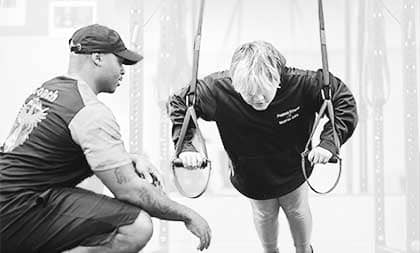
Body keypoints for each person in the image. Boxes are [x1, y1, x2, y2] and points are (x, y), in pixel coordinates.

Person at [0, 24, 211, 253]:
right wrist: (187, 214)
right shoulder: (90, 111)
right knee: (136, 226)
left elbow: (56, 150)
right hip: (17, 209)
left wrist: (129, 158)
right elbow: (131, 190)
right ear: (98, 58)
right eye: (120, 62)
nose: (123, 71)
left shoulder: (50, 90)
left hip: (12, 200)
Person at [167, 40, 358, 253]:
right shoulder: (219, 88)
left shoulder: (300, 83)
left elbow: (342, 100)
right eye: (248, 93)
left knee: (296, 209)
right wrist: (186, 147)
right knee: (264, 213)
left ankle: (304, 250)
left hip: (292, 164)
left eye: (263, 91)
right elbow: (180, 103)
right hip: (251, 169)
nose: (257, 98)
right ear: (236, 85)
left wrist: (329, 142)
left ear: (276, 78)